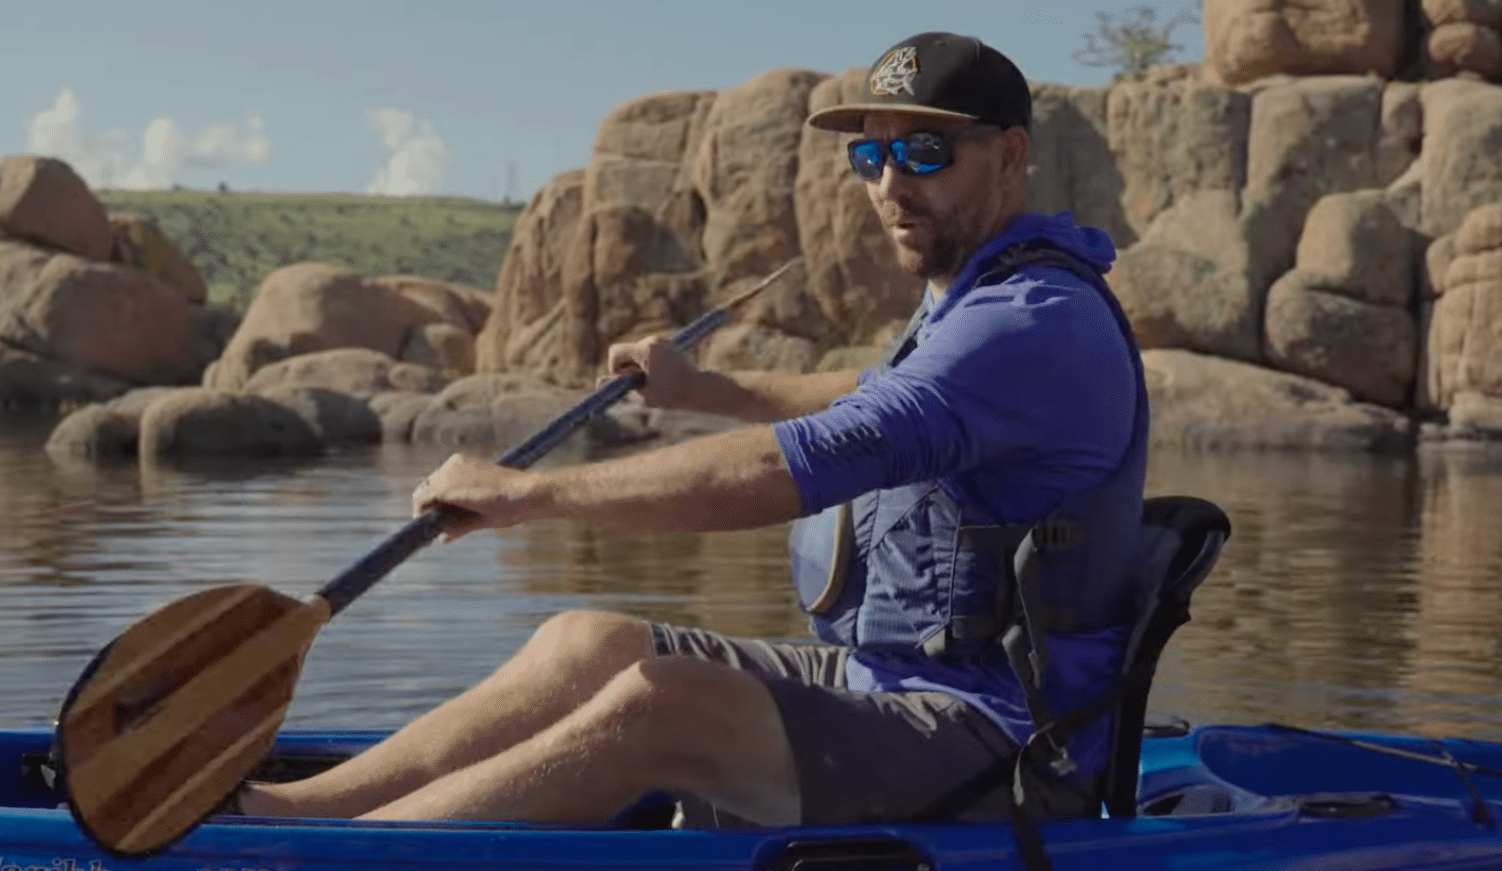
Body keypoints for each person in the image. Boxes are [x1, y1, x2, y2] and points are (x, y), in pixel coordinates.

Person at [235, 31, 1148, 830]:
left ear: (1010, 154)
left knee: (663, 704)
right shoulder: (969, 306)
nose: (890, 185)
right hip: (885, 679)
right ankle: (287, 814)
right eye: (871, 157)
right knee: (585, 644)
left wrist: (530, 495)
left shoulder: (1032, 322)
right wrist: (705, 388)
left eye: (923, 152)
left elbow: (815, 456)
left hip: (1006, 739)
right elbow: (864, 390)